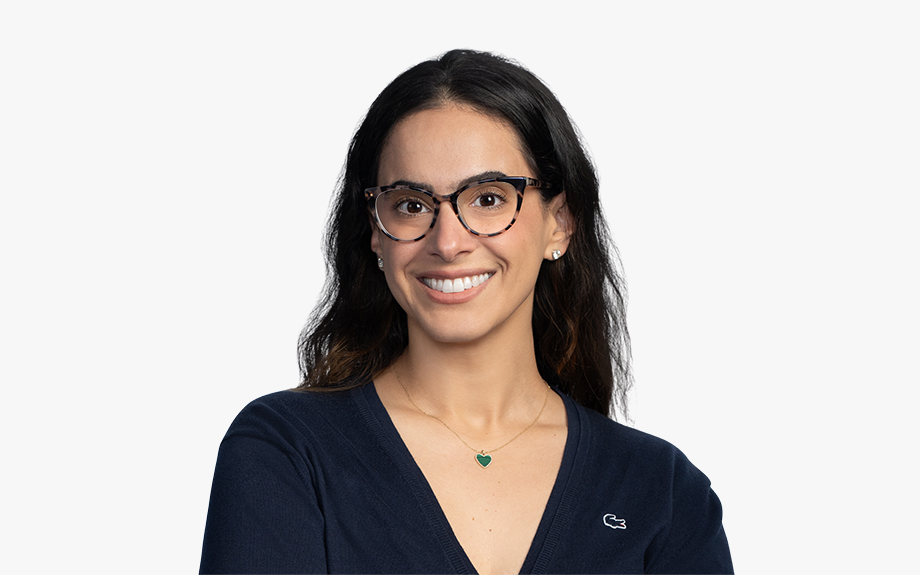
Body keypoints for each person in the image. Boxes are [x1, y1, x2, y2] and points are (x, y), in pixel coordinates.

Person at [200, 49, 732, 574]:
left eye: (489, 198)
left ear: (560, 223)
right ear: (375, 233)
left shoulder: (663, 492)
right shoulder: (286, 450)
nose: (448, 242)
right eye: (411, 205)